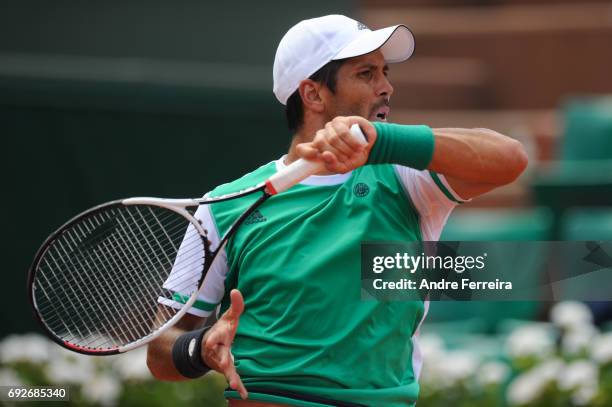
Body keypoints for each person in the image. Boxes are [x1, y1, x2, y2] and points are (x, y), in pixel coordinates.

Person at [146, 14, 528, 407]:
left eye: (385, 71)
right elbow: (159, 351)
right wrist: (200, 348)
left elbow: (511, 158)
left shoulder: (407, 180)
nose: (387, 87)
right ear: (313, 94)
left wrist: (381, 141)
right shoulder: (224, 206)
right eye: (366, 74)